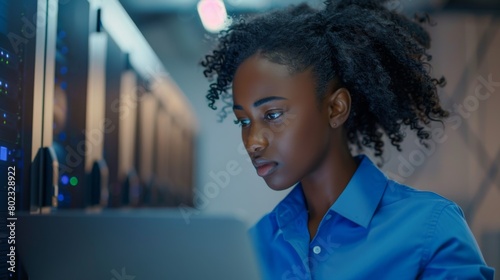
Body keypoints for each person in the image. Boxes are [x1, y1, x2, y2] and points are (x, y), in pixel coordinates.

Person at [201, 0, 495, 279]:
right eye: (243, 121)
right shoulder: (253, 245)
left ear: (335, 108)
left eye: (274, 114)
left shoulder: (432, 228)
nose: (253, 142)